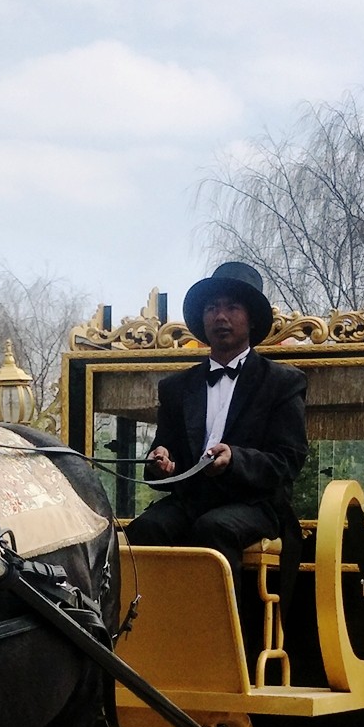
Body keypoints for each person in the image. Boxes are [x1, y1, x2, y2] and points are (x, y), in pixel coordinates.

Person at [125, 261, 307, 612]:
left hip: (256, 504)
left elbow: (289, 460)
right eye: (212, 308)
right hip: (191, 500)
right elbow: (163, 455)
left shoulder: (283, 382)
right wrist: (162, 460)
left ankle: (222, 648)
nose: (220, 316)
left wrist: (234, 459)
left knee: (215, 529)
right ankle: (146, 637)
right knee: (145, 530)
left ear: (251, 318)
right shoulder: (177, 388)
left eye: (231, 307)